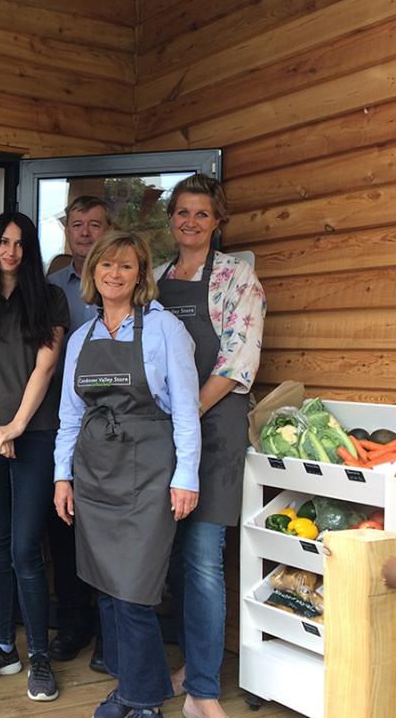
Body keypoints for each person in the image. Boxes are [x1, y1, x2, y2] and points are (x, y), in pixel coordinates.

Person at [54, 231, 201, 718]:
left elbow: (185, 412)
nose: (114, 275)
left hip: (150, 473)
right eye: (106, 266)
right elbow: (70, 417)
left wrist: (187, 476)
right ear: (92, 271)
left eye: (126, 267)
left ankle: (142, 701)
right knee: (107, 589)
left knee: (134, 592)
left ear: (141, 276)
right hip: (94, 474)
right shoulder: (81, 338)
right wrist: (62, 476)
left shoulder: (165, 331)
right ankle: (131, 689)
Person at [154, 174, 266, 718]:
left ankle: (201, 692)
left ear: (217, 222)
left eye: (202, 214)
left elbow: (238, 360)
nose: (191, 222)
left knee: (201, 558)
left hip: (215, 430)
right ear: (171, 219)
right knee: (170, 557)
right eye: (182, 212)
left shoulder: (237, 278)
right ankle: (189, 667)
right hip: (160, 438)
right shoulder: (152, 279)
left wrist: (187, 415)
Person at [0, 212, 69, 702]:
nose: (11, 251)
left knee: (25, 548)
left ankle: (39, 657)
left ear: (31, 250)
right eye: (3, 242)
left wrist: (16, 427)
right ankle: (3, 647)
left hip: (35, 435)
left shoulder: (51, 299)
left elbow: (44, 370)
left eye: (21, 243)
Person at [45, 195, 112, 666]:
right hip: (64, 421)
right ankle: (73, 623)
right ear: (66, 231)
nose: (85, 233)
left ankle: (110, 631)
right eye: (77, 225)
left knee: (109, 533)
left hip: (115, 430)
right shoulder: (51, 288)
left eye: (95, 225)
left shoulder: (127, 286)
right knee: (64, 528)